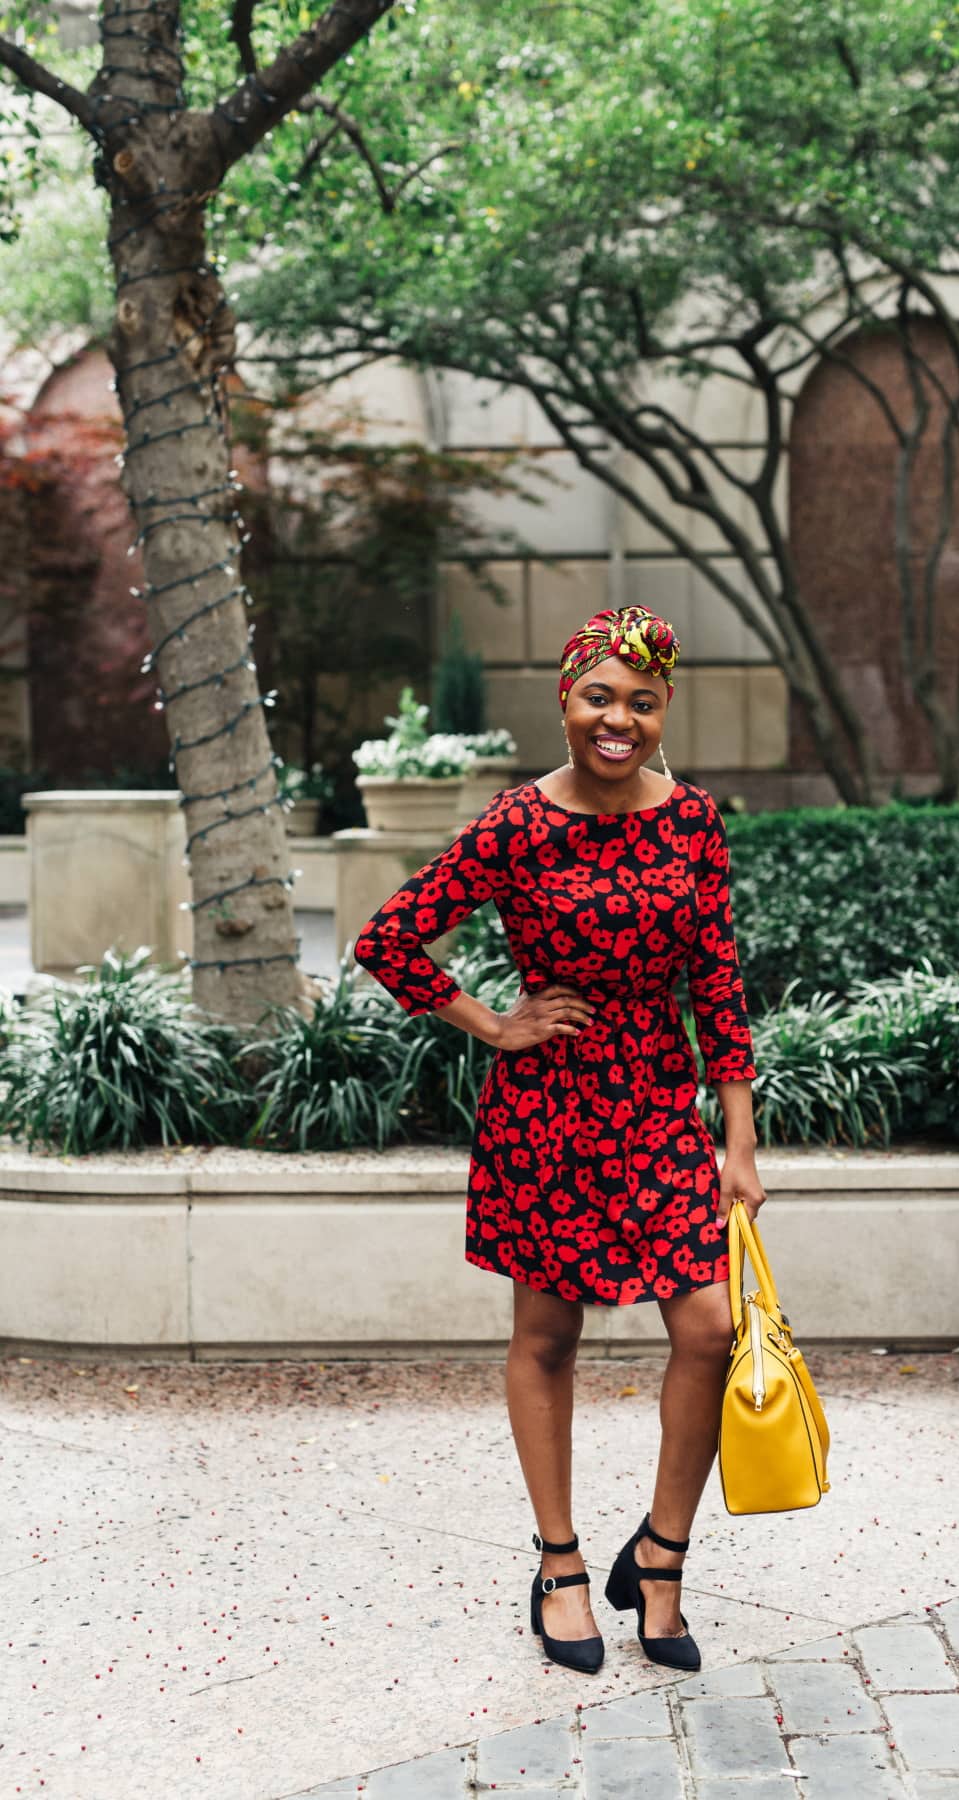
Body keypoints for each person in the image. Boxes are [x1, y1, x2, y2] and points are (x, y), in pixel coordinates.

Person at [353, 604, 767, 1675]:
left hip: (662, 1106)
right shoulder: (516, 825)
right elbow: (386, 937)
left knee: (711, 1329)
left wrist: (741, 1143)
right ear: (565, 700)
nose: (617, 718)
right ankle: (562, 1565)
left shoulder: (695, 822)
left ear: (664, 710)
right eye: (599, 696)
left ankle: (661, 1558)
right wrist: (493, 1022)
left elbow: (717, 984)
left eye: (640, 700)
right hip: (551, 1114)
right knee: (548, 1336)